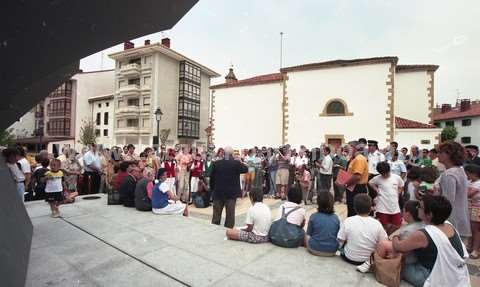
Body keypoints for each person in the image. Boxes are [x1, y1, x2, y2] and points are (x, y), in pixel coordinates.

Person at [392, 195, 470, 287]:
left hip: (434, 277)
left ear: (429, 214)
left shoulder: (424, 234)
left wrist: (395, 236)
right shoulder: (449, 225)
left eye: (420, 207)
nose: (417, 208)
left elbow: (399, 247)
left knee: (399, 265)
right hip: (457, 275)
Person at [337, 193, 388, 273]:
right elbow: (384, 241)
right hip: (368, 260)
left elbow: (340, 240)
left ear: (354, 208)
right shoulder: (377, 224)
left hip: (349, 258)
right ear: (371, 208)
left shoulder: (348, 220)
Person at [437, 141, 471, 240]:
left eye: (440, 152)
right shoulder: (460, 170)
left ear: (448, 154)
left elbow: (447, 202)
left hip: (451, 222)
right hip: (461, 219)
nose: (438, 154)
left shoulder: (449, 174)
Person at [210, 146, 248, 228]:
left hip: (218, 193)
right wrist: (240, 161)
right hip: (231, 194)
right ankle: (228, 232)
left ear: (223, 153)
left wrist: (212, 189)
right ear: (232, 154)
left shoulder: (216, 163)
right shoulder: (236, 163)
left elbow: (212, 178)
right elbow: (246, 169)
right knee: (230, 216)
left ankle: (213, 230)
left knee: (216, 215)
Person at [369, 161, 404, 235]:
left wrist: (398, 192)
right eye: (383, 174)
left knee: (398, 224)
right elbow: (370, 183)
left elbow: (401, 185)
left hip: (394, 206)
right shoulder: (377, 178)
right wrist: (376, 190)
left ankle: (387, 235)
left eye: (386, 173)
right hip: (382, 206)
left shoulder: (396, 177)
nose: (385, 175)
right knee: (383, 225)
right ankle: (384, 238)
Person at [305, 191, 340, 256]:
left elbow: (308, 234)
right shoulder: (336, 218)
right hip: (331, 251)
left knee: (305, 235)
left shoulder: (314, 216)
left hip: (314, 249)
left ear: (318, 203)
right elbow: (337, 236)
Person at [343, 141, 369, 217]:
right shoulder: (353, 159)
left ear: (354, 148)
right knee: (351, 209)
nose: (346, 150)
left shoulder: (359, 159)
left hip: (357, 188)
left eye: (348, 147)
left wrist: (345, 183)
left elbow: (357, 176)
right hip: (352, 187)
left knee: (355, 211)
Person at [466, 164, 480, 258]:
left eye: (467, 173)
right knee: (470, 229)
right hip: (469, 207)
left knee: (476, 230)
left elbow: (468, 194)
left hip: (477, 208)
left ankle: (476, 249)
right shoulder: (469, 182)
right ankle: (469, 247)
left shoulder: (478, 183)